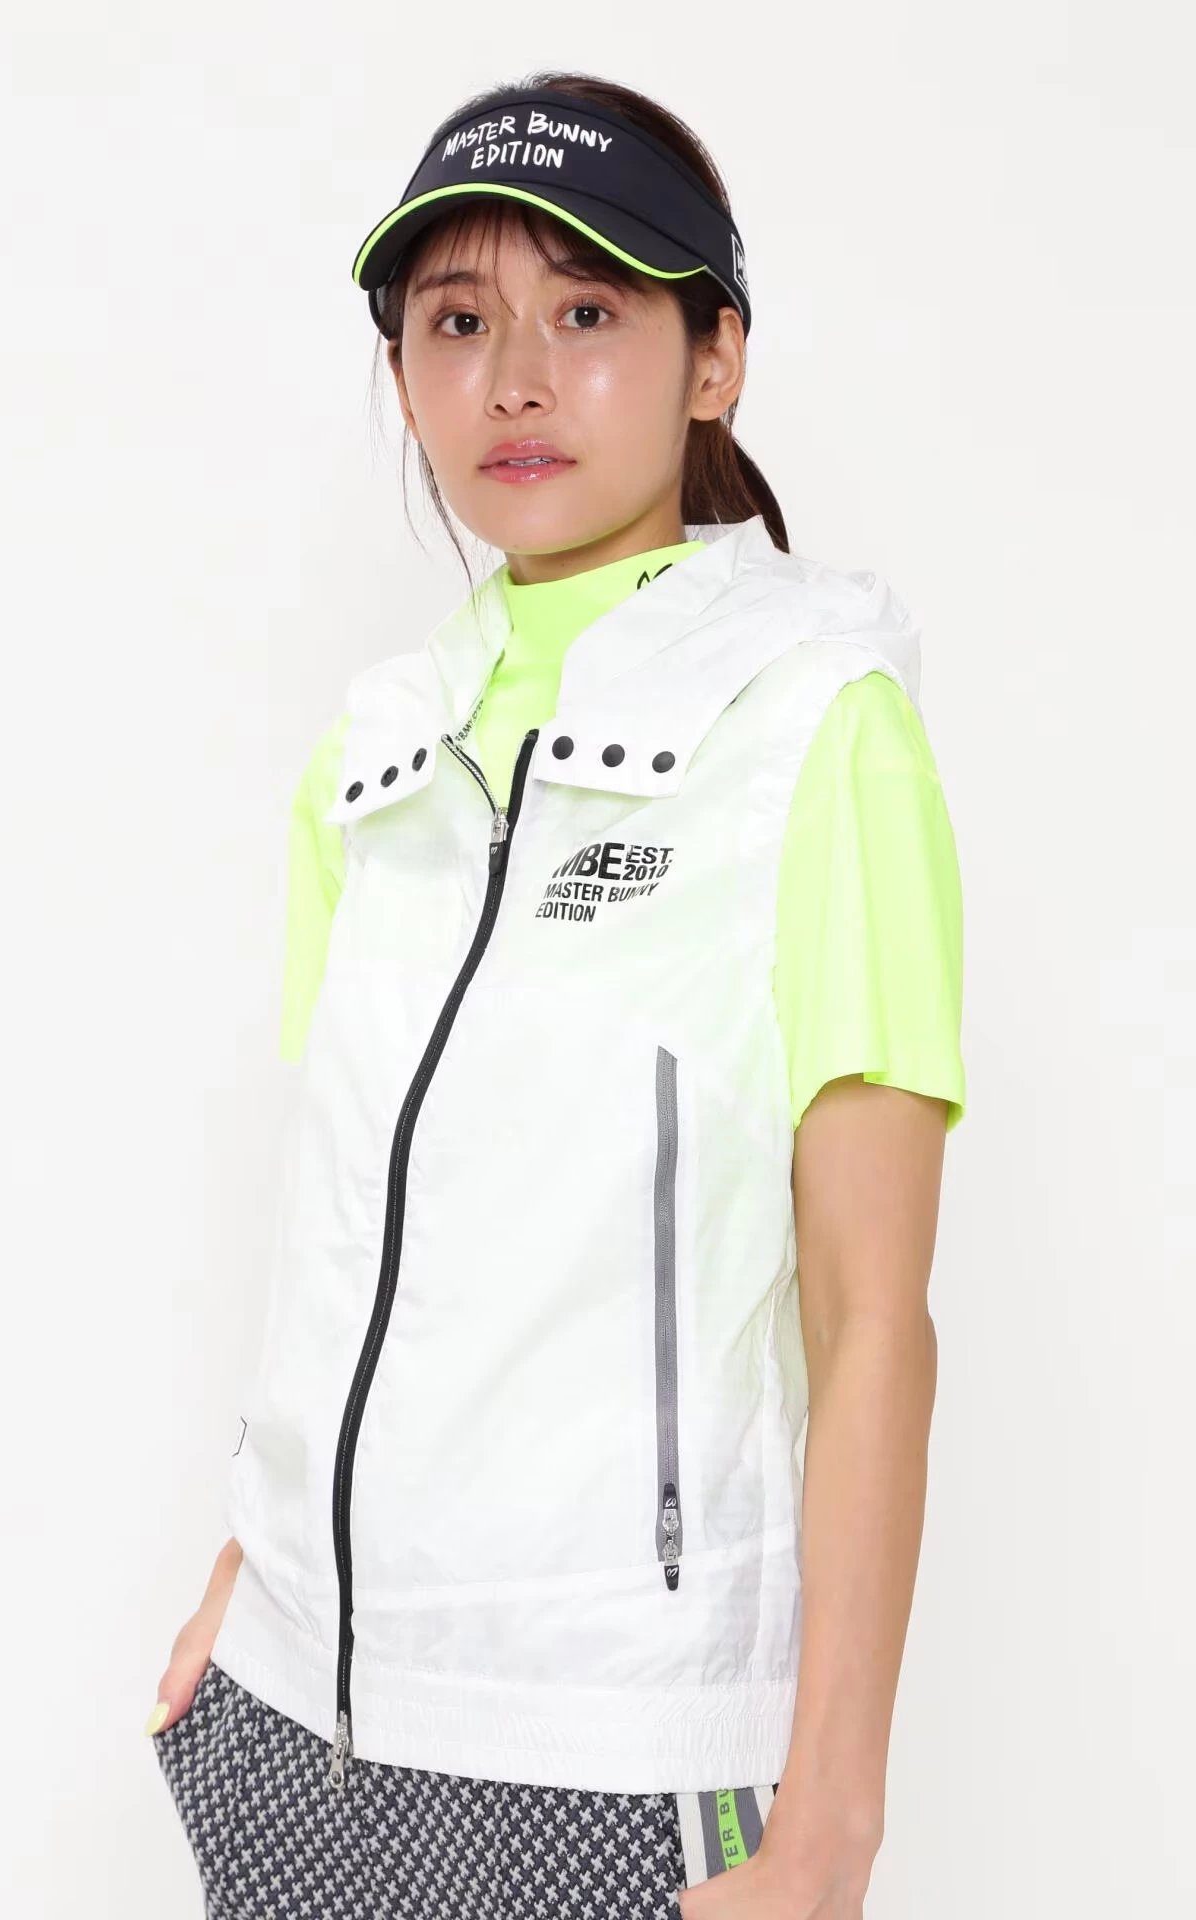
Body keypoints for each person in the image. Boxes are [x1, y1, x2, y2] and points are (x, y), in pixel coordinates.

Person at [147, 68, 965, 1920]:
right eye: (458, 324)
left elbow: (873, 1313)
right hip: (282, 1716)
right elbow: (359, 1247)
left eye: (587, 314)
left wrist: (829, 1821)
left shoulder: (815, 730)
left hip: (605, 1748)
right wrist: (246, 1571)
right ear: (405, 377)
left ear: (713, 358)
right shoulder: (373, 754)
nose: (515, 379)